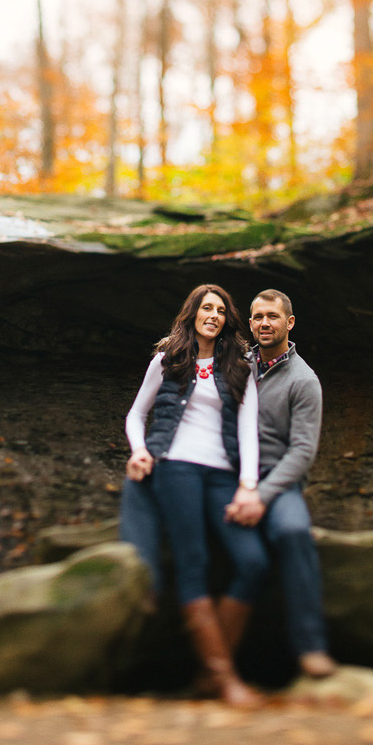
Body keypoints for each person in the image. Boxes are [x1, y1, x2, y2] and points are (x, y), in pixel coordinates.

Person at [120, 284, 264, 708]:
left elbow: (247, 428)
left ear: (227, 320)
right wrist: (140, 449)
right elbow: (136, 414)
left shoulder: (240, 366)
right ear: (193, 313)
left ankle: (208, 672)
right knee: (193, 563)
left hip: (223, 474)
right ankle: (225, 679)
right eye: (207, 307)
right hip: (176, 467)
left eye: (221, 310)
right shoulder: (167, 360)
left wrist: (248, 483)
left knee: (252, 561)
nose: (214, 315)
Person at [225, 289, 336, 679]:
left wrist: (262, 495)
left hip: (276, 480)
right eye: (257, 317)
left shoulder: (304, 381)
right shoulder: (236, 365)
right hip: (230, 473)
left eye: (272, 316)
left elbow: (303, 453)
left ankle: (310, 646)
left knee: (292, 532)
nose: (264, 324)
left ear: (289, 323)